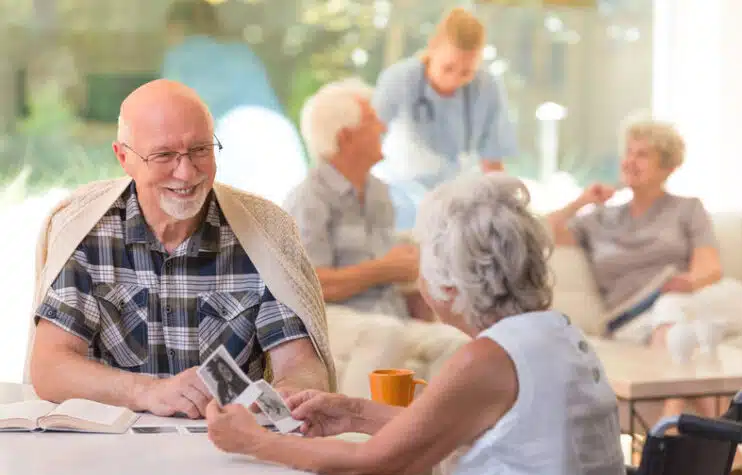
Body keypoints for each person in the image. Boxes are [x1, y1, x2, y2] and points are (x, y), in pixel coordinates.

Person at [207, 175, 631, 475]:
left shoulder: (488, 360)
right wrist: (349, 412)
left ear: (447, 282)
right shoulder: (553, 335)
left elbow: (375, 464)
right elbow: (445, 423)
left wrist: (254, 442)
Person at [27, 79, 335, 420]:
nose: (186, 173)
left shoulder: (263, 233)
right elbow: (50, 367)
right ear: (124, 157)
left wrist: (289, 396)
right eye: (164, 155)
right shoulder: (87, 231)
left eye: (200, 150)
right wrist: (148, 391)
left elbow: (301, 365)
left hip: (231, 449)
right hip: (114, 454)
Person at [546, 117, 742, 475]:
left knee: (704, 303)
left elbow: (710, 266)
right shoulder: (601, 218)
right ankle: (724, 450)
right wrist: (581, 200)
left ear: (667, 166)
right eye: (628, 152)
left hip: (679, 306)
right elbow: (538, 234)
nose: (630, 160)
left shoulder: (687, 208)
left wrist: (688, 283)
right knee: (695, 334)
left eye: (643, 154)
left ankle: (672, 423)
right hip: (628, 319)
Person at [283, 78, 471, 397]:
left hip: (386, 316)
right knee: (386, 334)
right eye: (373, 121)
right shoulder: (309, 198)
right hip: (327, 318)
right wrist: (385, 269)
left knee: (457, 344)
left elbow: (395, 273)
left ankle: (438, 444)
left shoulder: (379, 193)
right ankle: (355, 439)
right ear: (345, 136)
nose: (383, 126)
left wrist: (421, 293)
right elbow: (310, 285)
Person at [371, 7, 518, 230]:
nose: (455, 79)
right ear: (432, 48)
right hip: (401, 196)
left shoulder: (487, 87)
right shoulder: (399, 80)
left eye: (466, 72)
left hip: (458, 201)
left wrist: (505, 211)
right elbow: (370, 139)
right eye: (448, 67)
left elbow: (492, 162)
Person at [162, 0, 307, 204]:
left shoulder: (180, 56)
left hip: (231, 139)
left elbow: (169, 120)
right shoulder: (242, 53)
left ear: (175, 27)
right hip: (280, 135)